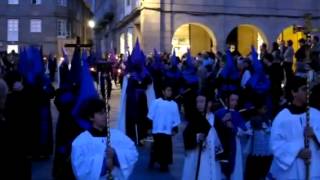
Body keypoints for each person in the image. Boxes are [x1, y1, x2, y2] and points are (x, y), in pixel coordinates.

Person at [71, 98, 138, 180]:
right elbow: (80, 168)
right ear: (91, 117)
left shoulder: (118, 135)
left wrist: (116, 155)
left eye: (106, 112)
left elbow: (133, 154)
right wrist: (104, 164)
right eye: (101, 113)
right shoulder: (81, 141)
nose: (106, 116)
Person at [269, 76, 320, 179]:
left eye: (308, 89)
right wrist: (297, 152)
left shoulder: (316, 114)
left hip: (314, 168)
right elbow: (276, 144)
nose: (308, 92)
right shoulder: (282, 117)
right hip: (291, 171)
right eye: (304, 89)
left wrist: (314, 135)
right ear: (294, 92)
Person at [182, 94, 222, 180]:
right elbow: (186, 135)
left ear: (210, 103)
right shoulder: (194, 118)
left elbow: (221, 136)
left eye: (202, 101)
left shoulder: (215, 119)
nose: (199, 104)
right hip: (197, 155)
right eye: (197, 102)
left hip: (211, 153)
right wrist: (197, 137)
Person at [214, 92, 250, 180]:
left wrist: (233, 127)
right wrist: (223, 120)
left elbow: (243, 130)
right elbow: (214, 127)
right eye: (232, 100)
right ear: (227, 100)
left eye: (236, 100)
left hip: (234, 142)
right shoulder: (219, 112)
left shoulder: (237, 114)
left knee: (234, 167)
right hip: (221, 142)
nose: (234, 103)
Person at [147, 83, 181, 172]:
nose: (170, 92)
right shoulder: (156, 102)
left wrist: (175, 129)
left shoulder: (174, 104)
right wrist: (149, 127)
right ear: (163, 91)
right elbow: (151, 115)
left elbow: (176, 117)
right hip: (157, 129)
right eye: (168, 90)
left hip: (167, 130)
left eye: (171, 90)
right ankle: (153, 160)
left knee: (166, 148)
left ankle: (164, 164)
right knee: (156, 146)